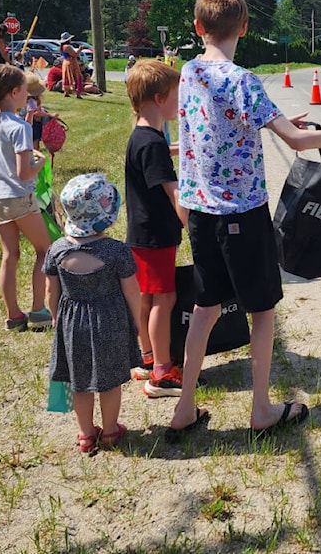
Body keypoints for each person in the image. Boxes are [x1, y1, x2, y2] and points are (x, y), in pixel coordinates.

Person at [166, 0, 321, 441]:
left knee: (205, 306)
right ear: (244, 27)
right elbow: (297, 144)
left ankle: (184, 406)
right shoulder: (243, 80)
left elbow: (216, 125)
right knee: (262, 311)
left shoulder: (188, 72)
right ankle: (261, 409)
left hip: (201, 212)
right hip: (242, 214)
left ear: (199, 28)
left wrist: (276, 121)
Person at [44, 173, 142, 454]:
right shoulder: (116, 251)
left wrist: (55, 317)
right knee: (109, 382)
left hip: (72, 324)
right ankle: (111, 430)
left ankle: (86, 434)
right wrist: (136, 320)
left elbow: (52, 292)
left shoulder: (57, 250)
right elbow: (132, 292)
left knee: (80, 382)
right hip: (109, 321)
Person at [124, 59, 187, 397]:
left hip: (141, 233)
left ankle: (148, 357)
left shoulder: (143, 136)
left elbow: (162, 153)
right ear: (161, 98)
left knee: (148, 295)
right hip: (158, 235)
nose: (181, 104)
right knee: (165, 297)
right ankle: (163, 373)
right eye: (177, 97)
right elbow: (172, 190)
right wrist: (192, 225)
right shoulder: (152, 144)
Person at [0, 64, 53, 331]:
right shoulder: (19, 126)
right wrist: (40, 162)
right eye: (25, 90)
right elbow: (24, 173)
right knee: (45, 250)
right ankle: (38, 311)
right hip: (19, 197)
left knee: (10, 255)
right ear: (14, 92)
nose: (28, 96)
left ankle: (13, 315)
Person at [22, 71, 57, 150]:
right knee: (35, 146)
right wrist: (50, 115)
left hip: (19, 123)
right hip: (32, 125)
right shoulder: (32, 101)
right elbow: (35, 113)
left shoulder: (19, 100)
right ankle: (36, 159)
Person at [59, 32, 84, 98]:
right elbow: (75, 55)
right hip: (71, 62)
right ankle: (77, 93)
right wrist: (80, 49)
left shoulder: (62, 46)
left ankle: (66, 92)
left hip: (65, 62)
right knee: (76, 76)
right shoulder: (67, 47)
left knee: (67, 76)